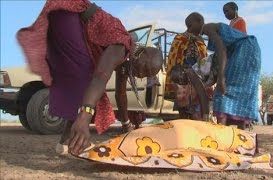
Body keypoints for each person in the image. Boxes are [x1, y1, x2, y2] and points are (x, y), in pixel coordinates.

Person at [17, 0, 163, 155]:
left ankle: (65, 142)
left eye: (146, 75)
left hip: (64, 18)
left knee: (87, 89)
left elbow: (121, 96)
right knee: (89, 86)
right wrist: (85, 117)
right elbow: (100, 77)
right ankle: (77, 138)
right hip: (68, 11)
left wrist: (127, 126)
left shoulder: (124, 62)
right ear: (143, 53)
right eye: (145, 68)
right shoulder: (122, 45)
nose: (141, 74)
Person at [76, 120, 272, 172]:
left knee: (143, 140)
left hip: (179, 132)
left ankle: (106, 149)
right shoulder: (226, 135)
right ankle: (107, 149)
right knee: (146, 138)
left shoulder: (224, 137)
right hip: (180, 130)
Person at [201, 22, 261, 129]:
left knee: (223, 91)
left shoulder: (208, 28)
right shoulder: (231, 42)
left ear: (198, 23)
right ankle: (240, 135)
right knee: (244, 93)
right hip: (253, 52)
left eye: (190, 26)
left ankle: (221, 132)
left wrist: (221, 78)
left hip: (244, 51)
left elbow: (221, 51)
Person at [165, 12, 209, 119]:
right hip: (182, 79)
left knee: (198, 111)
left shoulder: (201, 41)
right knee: (183, 111)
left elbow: (205, 61)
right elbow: (173, 59)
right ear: (194, 23)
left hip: (198, 79)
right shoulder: (179, 38)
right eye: (202, 23)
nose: (203, 26)